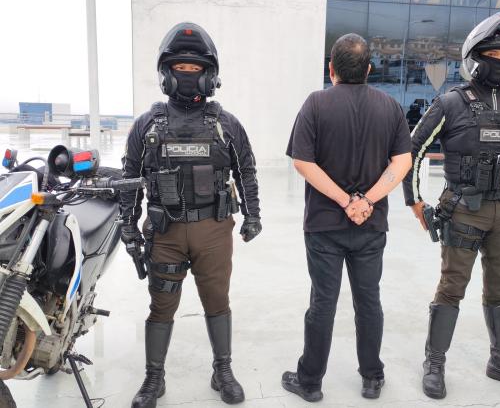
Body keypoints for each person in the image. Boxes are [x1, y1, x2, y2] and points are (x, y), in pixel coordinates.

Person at [402, 11, 500, 400]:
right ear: (476, 55)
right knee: (452, 287)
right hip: (464, 211)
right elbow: (411, 150)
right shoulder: (451, 103)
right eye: (493, 53)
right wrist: (414, 200)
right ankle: (434, 362)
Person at [119, 22, 262, 407]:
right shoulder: (146, 125)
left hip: (213, 230)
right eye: (179, 68)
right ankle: (154, 378)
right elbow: (130, 176)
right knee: (161, 304)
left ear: (209, 74)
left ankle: (223, 370)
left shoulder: (227, 124)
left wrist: (252, 214)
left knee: (217, 300)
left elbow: (246, 170)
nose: (186, 75)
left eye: (193, 68)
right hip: (164, 231)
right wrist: (127, 225)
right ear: (165, 74)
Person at [282, 33, 412, 402]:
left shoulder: (316, 103)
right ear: (369, 69)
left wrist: (344, 201)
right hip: (371, 224)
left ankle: (310, 382)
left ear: (331, 69)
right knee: (369, 301)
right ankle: (372, 378)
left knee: (323, 303)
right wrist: (365, 201)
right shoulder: (390, 107)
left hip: (324, 225)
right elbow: (403, 161)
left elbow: (303, 162)